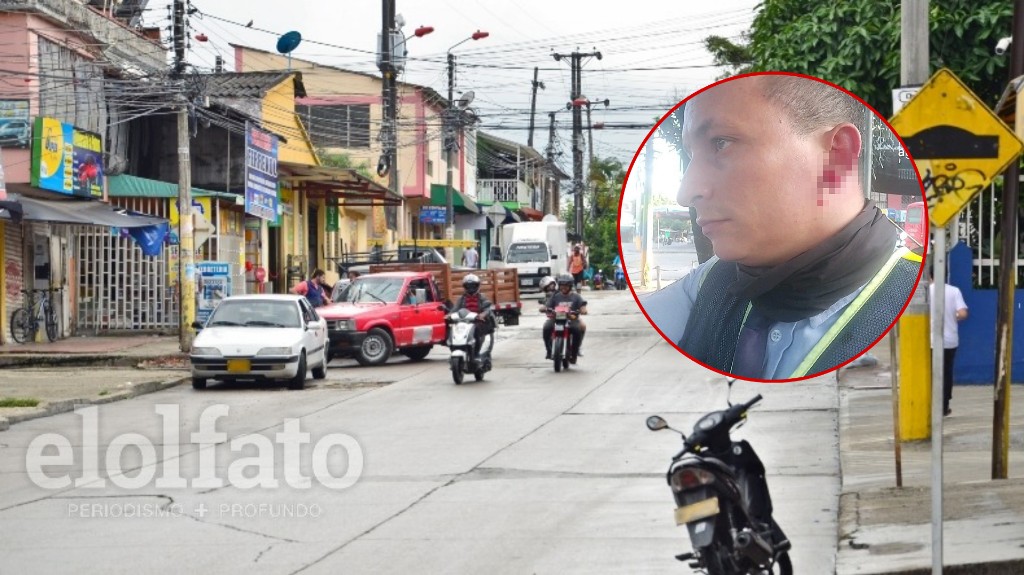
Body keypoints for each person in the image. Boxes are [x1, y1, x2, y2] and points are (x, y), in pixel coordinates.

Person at [639, 73, 922, 380]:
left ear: (836, 157)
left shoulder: (915, 301)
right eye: (691, 156)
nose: (686, 193)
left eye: (721, 144)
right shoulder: (712, 281)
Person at [930, 274, 968, 416]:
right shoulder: (954, 291)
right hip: (950, 340)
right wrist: (954, 317)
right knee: (946, 372)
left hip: (931, 340)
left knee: (931, 373)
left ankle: (930, 405)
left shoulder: (927, 291)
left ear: (930, 275)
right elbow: (963, 313)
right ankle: (944, 406)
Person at [541, 273, 587, 363]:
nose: (564, 287)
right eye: (562, 285)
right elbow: (547, 305)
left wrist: (583, 310)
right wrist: (544, 308)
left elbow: (582, 305)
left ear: (570, 286)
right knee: (546, 327)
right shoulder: (555, 296)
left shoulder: (576, 296)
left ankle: (574, 353)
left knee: (577, 330)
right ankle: (549, 350)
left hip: (572, 319)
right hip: (556, 319)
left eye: (566, 285)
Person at [451, 274, 495, 362]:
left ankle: (477, 353)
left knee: (477, 332)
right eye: (468, 286)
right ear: (465, 287)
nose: (470, 288)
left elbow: (487, 309)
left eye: (473, 286)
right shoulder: (461, 298)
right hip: (465, 321)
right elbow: (455, 309)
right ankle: (455, 349)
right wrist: (449, 315)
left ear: (477, 286)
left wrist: (482, 314)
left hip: (478, 321)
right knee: (452, 330)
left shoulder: (482, 297)